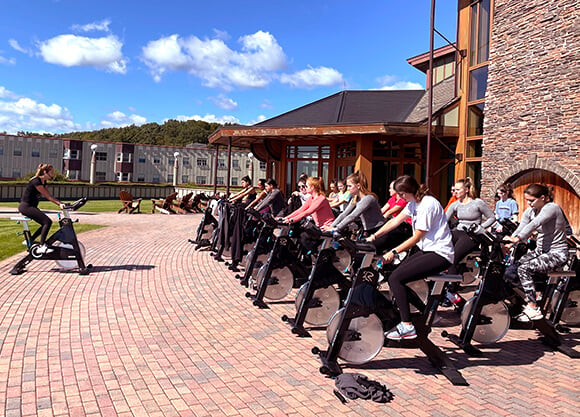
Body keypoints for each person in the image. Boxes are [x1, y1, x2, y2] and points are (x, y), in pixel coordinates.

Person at [367, 175, 454, 340]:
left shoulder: (428, 205)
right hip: (428, 251)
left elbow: (416, 237)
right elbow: (395, 222)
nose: (398, 198)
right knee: (394, 276)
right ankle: (421, 312)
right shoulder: (413, 203)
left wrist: (393, 252)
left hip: (440, 254)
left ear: (408, 192)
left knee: (396, 279)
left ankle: (407, 326)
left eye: (400, 194)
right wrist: (373, 237)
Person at [504, 184, 569, 322]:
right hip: (540, 251)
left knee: (524, 269)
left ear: (543, 198)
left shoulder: (551, 208)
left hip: (557, 253)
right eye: (527, 200)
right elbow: (522, 226)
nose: (528, 203)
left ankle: (533, 307)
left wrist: (519, 238)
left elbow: (534, 224)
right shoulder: (530, 211)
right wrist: (508, 242)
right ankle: (526, 299)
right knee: (511, 269)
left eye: (531, 200)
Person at [444, 178, 496, 306]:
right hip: (458, 232)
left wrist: (480, 228)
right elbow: (444, 219)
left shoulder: (478, 203)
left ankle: (452, 290)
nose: (455, 192)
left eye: (458, 189)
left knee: (453, 257)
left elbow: (492, 218)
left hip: (472, 235)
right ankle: (440, 286)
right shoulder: (456, 204)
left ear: (466, 190)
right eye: (454, 190)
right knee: (442, 252)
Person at [19, 164, 66, 254]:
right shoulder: (36, 181)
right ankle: (41, 246)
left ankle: (30, 240)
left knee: (44, 223)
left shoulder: (44, 182)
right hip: (26, 206)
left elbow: (50, 195)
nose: (53, 173)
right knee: (47, 222)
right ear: (45, 172)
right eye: (51, 171)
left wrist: (61, 203)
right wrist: (59, 204)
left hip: (31, 206)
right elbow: (48, 196)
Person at [323, 172, 385, 238]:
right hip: (367, 230)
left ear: (358, 186)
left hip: (378, 229)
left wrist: (336, 228)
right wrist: (332, 226)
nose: (348, 189)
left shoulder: (368, 198)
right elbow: (344, 214)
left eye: (350, 186)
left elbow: (353, 216)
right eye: (347, 186)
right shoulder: (355, 199)